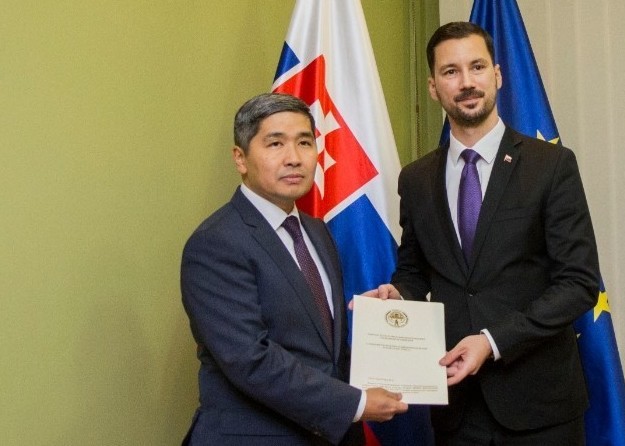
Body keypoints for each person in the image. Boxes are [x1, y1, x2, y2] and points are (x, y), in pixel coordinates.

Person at [366, 22, 600, 445]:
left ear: (497, 75)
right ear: (433, 87)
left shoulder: (551, 166)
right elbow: (415, 271)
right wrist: (397, 296)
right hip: (457, 411)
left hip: (540, 410)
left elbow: (578, 283)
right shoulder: (416, 179)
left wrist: (493, 342)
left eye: (476, 67)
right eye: (450, 71)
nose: (467, 82)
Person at [180, 92, 407, 446]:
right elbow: (250, 360)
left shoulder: (316, 232)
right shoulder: (215, 243)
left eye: (304, 142)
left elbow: (318, 343)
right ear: (240, 158)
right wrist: (356, 403)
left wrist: (374, 322)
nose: (294, 158)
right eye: (275, 144)